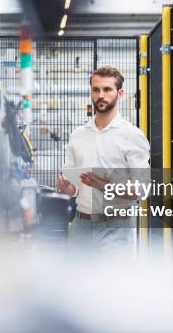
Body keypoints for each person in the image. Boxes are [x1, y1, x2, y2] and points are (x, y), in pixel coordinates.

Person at [55, 66, 149, 253]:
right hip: (81, 225)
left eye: (107, 89)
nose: (101, 95)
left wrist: (109, 188)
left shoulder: (132, 135)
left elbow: (143, 189)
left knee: (112, 282)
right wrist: (66, 188)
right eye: (96, 89)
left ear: (119, 93)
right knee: (77, 281)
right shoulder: (78, 136)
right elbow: (73, 187)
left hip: (116, 226)